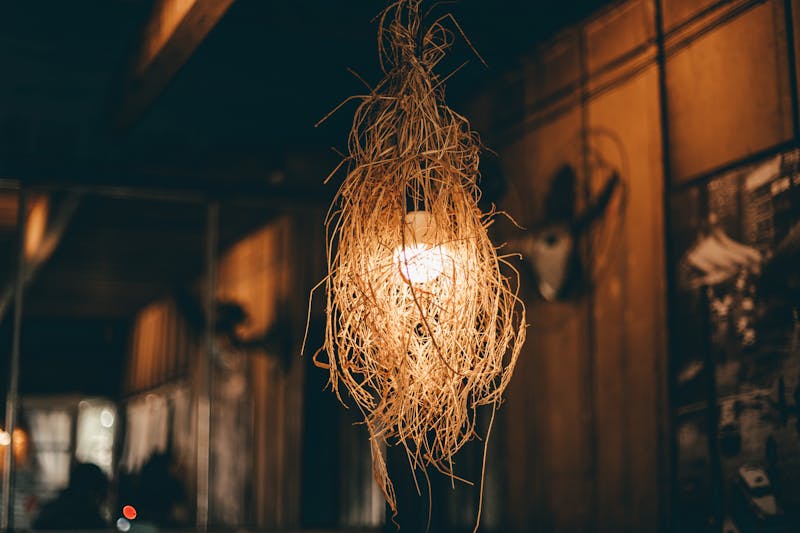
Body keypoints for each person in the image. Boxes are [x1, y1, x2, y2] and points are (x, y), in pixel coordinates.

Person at [33, 462, 109, 529]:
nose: (104, 500)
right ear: (92, 493)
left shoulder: (49, 512)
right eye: (101, 494)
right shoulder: (93, 522)